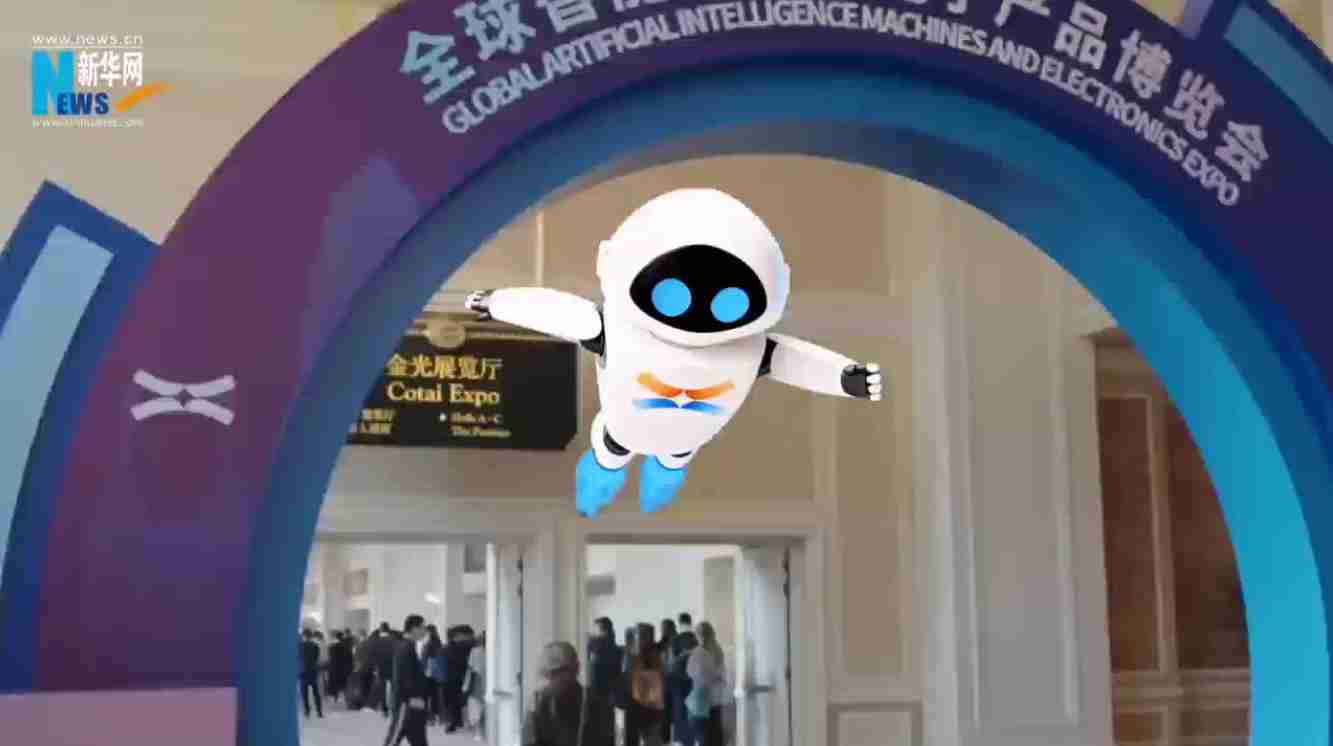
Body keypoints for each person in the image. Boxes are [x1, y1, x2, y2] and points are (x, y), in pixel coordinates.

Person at [522, 641, 616, 746]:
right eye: (548, 674)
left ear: (576, 668)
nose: (553, 679)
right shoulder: (538, 704)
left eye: (559, 671)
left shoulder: (597, 704)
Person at [385, 614, 432, 746]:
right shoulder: (405, 647)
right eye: (422, 627)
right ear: (414, 628)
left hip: (414, 703)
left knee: (419, 740)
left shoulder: (410, 646)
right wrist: (411, 697)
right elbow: (404, 677)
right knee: (394, 738)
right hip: (407, 703)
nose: (425, 631)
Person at [685, 622, 727, 746]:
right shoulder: (718, 650)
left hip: (702, 701)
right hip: (715, 699)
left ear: (699, 635)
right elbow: (722, 674)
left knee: (705, 737)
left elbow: (690, 672)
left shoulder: (698, 652)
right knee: (715, 737)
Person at [625, 623, 666, 746]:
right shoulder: (651, 655)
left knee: (650, 737)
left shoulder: (643, 656)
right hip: (645, 706)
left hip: (646, 706)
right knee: (649, 737)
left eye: (641, 635)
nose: (639, 639)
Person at [669, 613, 699, 745]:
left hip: (678, 680)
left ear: (680, 623)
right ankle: (690, 740)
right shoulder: (696, 639)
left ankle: (681, 739)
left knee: (679, 711)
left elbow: (671, 662)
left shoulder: (675, 639)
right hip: (692, 680)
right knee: (690, 711)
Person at [443, 626, 477, 732]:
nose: (467, 638)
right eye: (466, 635)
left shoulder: (450, 647)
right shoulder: (457, 647)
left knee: (455, 701)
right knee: (455, 701)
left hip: (454, 678)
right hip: (455, 678)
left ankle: (456, 722)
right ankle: (455, 722)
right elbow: (462, 662)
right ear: (459, 635)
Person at [588, 618, 622, 701]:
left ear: (605, 632)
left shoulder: (598, 648)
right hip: (608, 695)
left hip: (603, 694)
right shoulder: (595, 648)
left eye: (595, 630)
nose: (592, 633)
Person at [657, 619, 678, 745]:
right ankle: (665, 741)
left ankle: (673, 740)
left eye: (665, 628)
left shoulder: (678, 642)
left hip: (674, 684)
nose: (663, 631)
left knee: (674, 714)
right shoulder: (661, 645)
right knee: (665, 716)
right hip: (664, 684)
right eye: (662, 628)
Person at [423, 625, 447, 725]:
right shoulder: (440, 643)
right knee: (437, 696)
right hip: (439, 673)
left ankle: (431, 718)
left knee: (429, 696)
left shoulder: (428, 644)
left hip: (430, 673)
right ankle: (440, 718)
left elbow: (425, 659)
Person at [466, 631, 487, 740]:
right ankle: (481, 730)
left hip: (478, 680)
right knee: (482, 706)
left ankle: (478, 732)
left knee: (476, 706)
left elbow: (470, 668)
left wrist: (466, 684)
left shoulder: (474, 651)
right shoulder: (493, 650)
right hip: (488, 680)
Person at [299, 629, 324, 719]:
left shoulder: (299, 646)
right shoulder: (315, 646)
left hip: (303, 672)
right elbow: (316, 658)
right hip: (313, 671)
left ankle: (307, 711)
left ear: (304, 636)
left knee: (304, 693)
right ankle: (319, 711)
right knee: (316, 693)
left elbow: (298, 658)